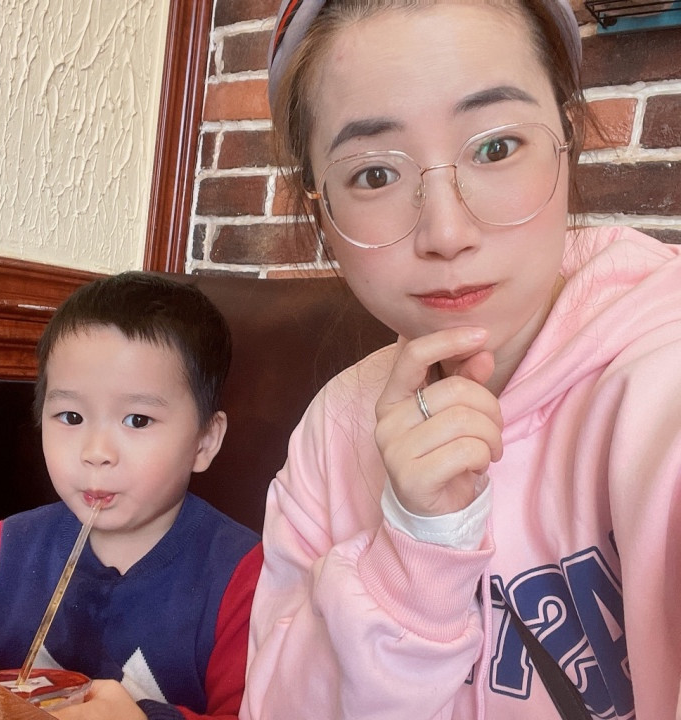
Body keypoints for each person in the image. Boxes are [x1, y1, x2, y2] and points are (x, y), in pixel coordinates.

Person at [240, 1, 681, 718]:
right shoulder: (333, 430)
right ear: (320, 210)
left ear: (566, 139)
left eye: (496, 147)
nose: (445, 232)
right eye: (374, 175)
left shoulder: (662, 373)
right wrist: (415, 557)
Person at [0, 272, 262, 720]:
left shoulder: (245, 577)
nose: (96, 452)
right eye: (71, 416)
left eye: (137, 420)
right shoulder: (5, 549)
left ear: (204, 441)